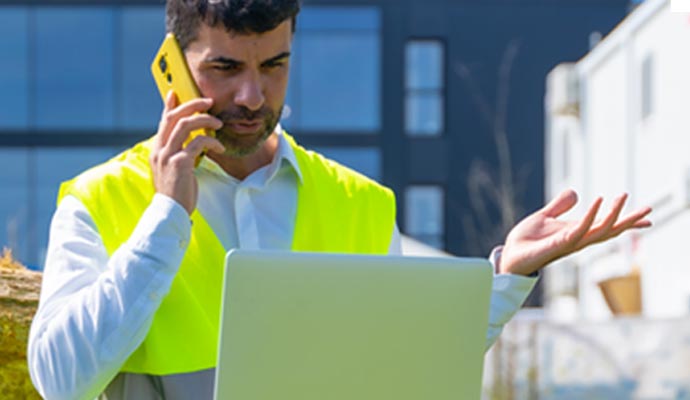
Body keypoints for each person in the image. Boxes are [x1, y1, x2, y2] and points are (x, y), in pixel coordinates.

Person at [27, 0, 652, 399]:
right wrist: (165, 218)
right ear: (172, 65)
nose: (251, 95)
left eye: (273, 65)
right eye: (224, 68)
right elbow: (59, 381)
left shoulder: (359, 203)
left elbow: (402, 366)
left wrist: (507, 278)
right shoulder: (101, 200)